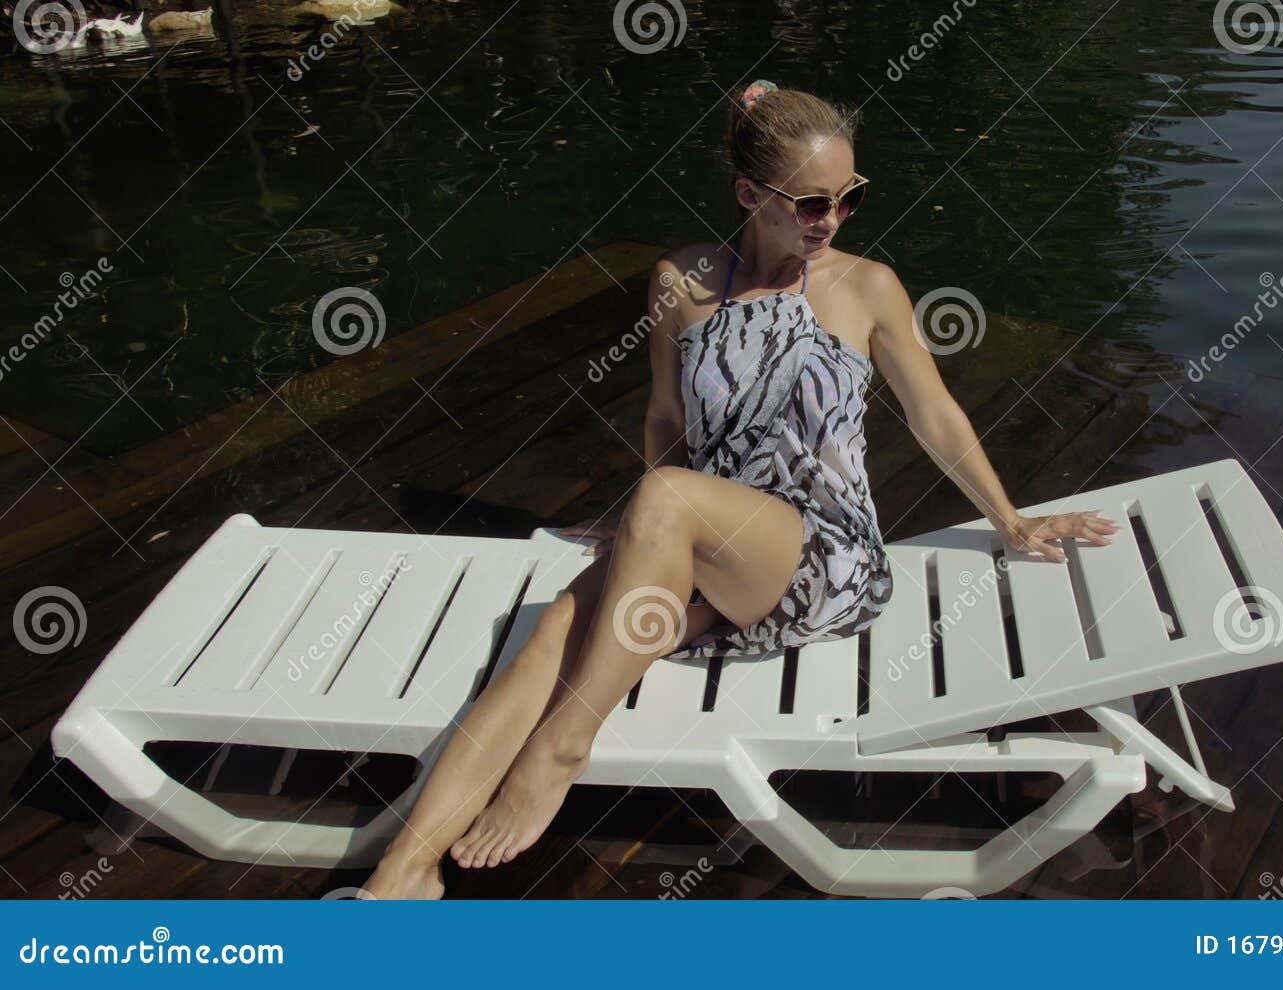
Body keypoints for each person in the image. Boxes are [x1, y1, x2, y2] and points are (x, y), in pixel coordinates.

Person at [362, 80, 1117, 899]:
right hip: (703, 539)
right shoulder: (679, 284)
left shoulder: (868, 288)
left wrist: (1007, 519)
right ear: (750, 194)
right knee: (553, 637)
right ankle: (403, 871)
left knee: (665, 504)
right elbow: (665, 419)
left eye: (849, 198)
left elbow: (933, 413)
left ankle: (563, 746)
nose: (831, 219)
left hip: (822, 553)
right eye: (811, 202)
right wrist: (641, 537)